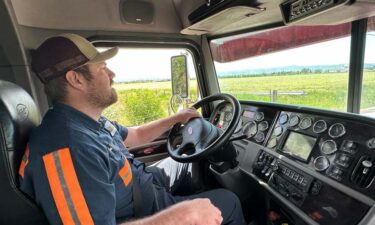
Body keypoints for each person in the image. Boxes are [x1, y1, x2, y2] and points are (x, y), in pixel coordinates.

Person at [18, 33, 246, 225]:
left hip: (144, 184)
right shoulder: (67, 148)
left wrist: (177, 118)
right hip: (143, 211)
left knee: (191, 163)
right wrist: (181, 215)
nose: (112, 75)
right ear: (76, 79)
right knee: (229, 201)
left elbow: (134, 135)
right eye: (102, 68)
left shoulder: (85, 121)